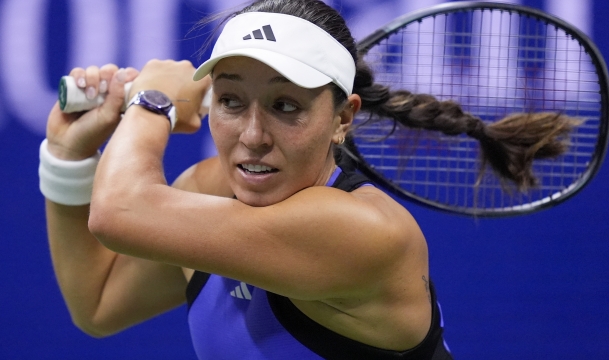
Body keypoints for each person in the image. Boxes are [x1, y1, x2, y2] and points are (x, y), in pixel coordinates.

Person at [40, 0, 577, 358]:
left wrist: (150, 101)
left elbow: (118, 213)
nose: (252, 134)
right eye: (231, 100)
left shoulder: (362, 231)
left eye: (285, 106)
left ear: (342, 118)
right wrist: (68, 154)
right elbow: (99, 303)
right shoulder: (206, 188)